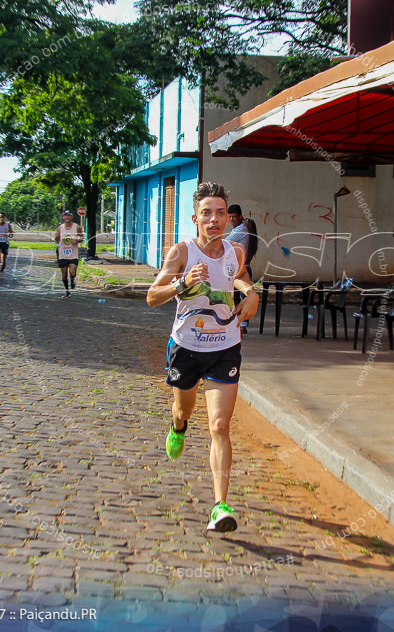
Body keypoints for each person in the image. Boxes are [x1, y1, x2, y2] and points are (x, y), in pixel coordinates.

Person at [146, 182, 259, 533]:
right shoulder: (181, 252)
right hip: (186, 347)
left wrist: (252, 295)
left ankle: (220, 506)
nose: (214, 219)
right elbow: (152, 296)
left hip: (225, 346)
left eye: (221, 213)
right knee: (185, 409)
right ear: (195, 218)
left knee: (220, 425)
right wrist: (181, 285)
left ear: (228, 218)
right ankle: (177, 426)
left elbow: (240, 278)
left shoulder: (235, 252)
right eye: (207, 213)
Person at [225, 205, 258, 333]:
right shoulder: (237, 230)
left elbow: (224, 242)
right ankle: (237, 324)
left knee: (244, 298)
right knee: (235, 298)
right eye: (230, 217)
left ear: (240, 217)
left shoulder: (241, 230)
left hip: (241, 271)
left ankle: (242, 325)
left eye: (234, 216)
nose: (232, 219)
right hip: (236, 270)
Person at [55, 210, 84, 297]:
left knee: (72, 272)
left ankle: (72, 279)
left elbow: (82, 237)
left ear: (71, 217)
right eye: (65, 216)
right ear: (63, 217)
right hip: (63, 254)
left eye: (69, 216)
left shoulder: (77, 227)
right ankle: (67, 290)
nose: (67, 217)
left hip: (73, 254)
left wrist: (77, 240)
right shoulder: (60, 227)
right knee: (64, 275)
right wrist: (56, 237)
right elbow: (57, 241)